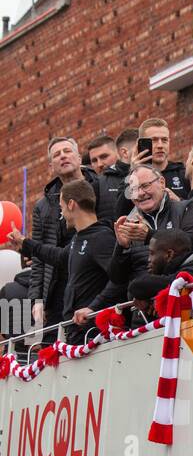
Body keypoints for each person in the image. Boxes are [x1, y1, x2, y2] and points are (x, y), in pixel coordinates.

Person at [7, 180, 117, 345]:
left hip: (94, 335)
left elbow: (119, 279)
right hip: (76, 334)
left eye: (62, 206)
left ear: (71, 204)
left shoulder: (102, 237)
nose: (62, 212)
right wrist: (25, 244)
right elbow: (57, 256)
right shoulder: (77, 239)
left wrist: (93, 307)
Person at [21, 137, 114, 329]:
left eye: (67, 151)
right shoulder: (43, 205)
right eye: (57, 154)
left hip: (96, 276)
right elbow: (39, 261)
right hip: (59, 286)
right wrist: (37, 300)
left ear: (79, 158)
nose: (63, 156)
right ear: (50, 167)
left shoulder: (102, 185)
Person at [107, 165, 193, 300]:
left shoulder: (185, 208)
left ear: (162, 183)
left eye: (145, 186)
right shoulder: (128, 224)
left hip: (183, 300)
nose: (140, 193)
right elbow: (117, 279)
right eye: (134, 189)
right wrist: (122, 247)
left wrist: (149, 236)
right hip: (143, 311)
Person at [130, 116, 189, 199]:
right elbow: (121, 209)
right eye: (154, 140)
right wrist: (133, 172)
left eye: (164, 140)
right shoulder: (130, 176)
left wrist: (179, 203)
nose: (160, 145)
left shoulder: (184, 174)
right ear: (141, 144)